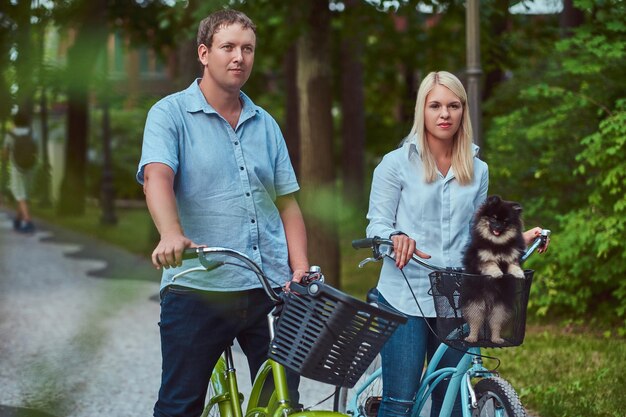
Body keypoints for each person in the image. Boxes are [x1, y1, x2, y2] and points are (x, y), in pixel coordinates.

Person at [136, 9, 309, 417]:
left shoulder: (265, 124)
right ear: (203, 52)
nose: (239, 57)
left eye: (247, 49)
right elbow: (157, 177)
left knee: (282, 404)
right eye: (228, 47)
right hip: (198, 287)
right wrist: (170, 233)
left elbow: (287, 202)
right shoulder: (169, 114)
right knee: (180, 405)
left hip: (269, 289)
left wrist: (299, 267)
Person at [365, 71, 549, 417]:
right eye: (435, 105)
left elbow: (474, 236)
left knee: (451, 402)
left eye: (453, 105)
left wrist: (512, 240)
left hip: (456, 297)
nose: (444, 114)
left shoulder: (477, 170)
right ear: (422, 110)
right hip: (404, 296)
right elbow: (377, 223)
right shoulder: (395, 165)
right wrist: (394, 238)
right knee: (400, 402)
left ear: (463, 111)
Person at [2, 110, 36, 234]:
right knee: (24, 194)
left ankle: (28, 221)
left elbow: (5, 153)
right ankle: (17, 219)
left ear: (14, 121)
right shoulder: (31, 132)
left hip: (17, 167)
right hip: (30, 166)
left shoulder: (10, 134)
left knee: (20, 194)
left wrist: (5, 158)